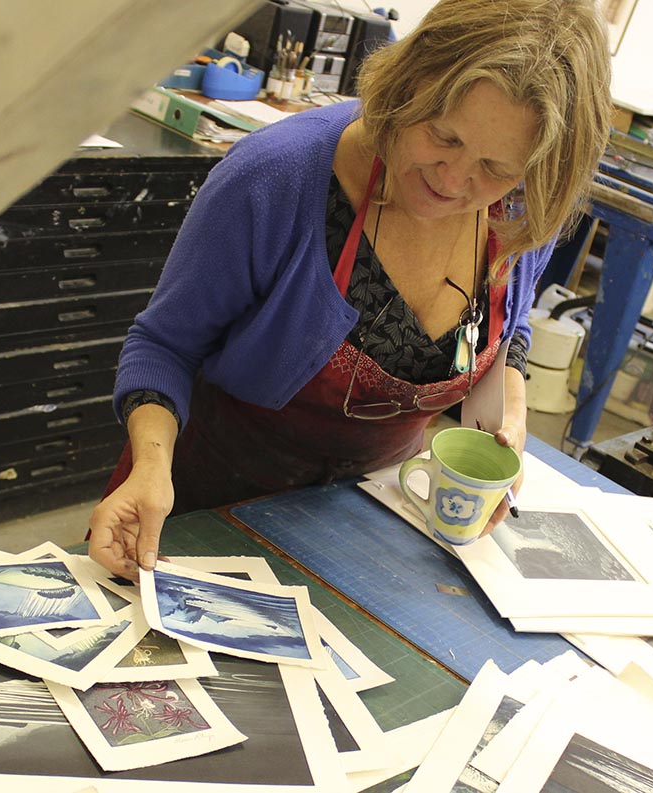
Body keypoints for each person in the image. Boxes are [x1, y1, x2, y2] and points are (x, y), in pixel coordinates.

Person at [89, 0, 614, 579]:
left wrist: (508, 418)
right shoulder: (277, 178)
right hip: (199, 509)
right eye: (443, 136)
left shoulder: (521, 211)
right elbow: (165, 345)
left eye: (496, 167)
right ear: (409, 85)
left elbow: (507, 329)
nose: (454, 179)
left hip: (369, 517)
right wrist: (149, 470)